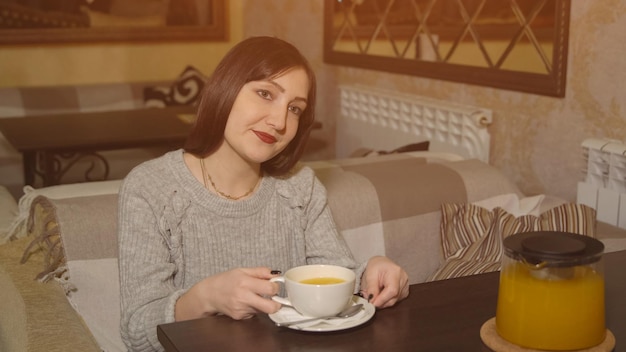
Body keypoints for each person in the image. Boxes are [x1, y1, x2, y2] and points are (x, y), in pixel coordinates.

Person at [117, 36, 409, 351]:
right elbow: (137, 333)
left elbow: (334, 278)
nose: (280, 122)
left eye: (295, 109)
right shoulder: (150, 187)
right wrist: (205, 297)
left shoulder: (301, 187)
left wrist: (372, 271)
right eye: (265, 93)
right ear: (225, 88)